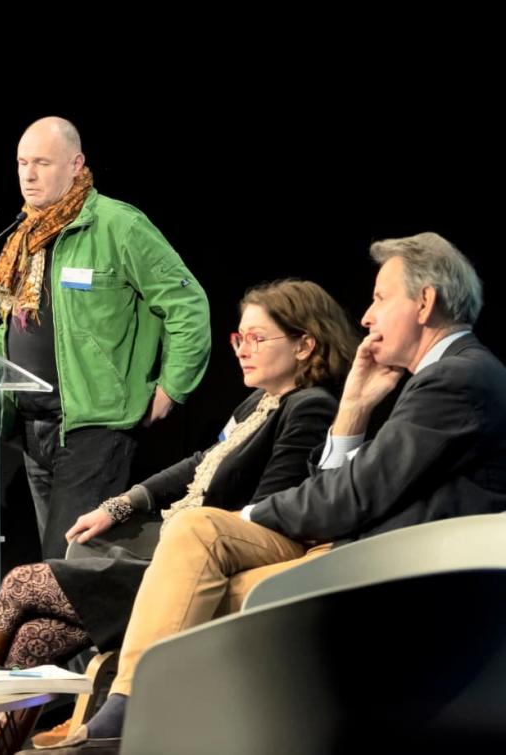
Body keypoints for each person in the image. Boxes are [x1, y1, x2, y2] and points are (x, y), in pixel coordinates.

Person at [64, 232, 506, 745]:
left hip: (405, 580)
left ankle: (132, 715)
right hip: (364, 555)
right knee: (193, 553)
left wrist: (251, 516)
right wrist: (355, 407)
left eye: (381, 298)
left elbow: (351, 499)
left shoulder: (456, 379)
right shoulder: (450, 376)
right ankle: (131, 711)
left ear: (424, 302)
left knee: (197, 574)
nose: (366, 316)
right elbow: (342, 490)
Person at [0, 279, 358, 752]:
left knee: (23, 584)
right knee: (33, 639)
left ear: (304, 345)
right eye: (238, 339)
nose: (241, 351)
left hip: (190, 575)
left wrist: (175, 524)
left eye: (257, 338)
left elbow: (269, 511)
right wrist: (122, 503)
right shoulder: (259, 403)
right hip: (171, 558)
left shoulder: (310, 408)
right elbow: (200, 462)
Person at [0, 116, 211, 559]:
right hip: (32, 427)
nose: (28, 174)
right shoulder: (29, 234)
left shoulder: (117, 226)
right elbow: (23, 328)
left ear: (75, 163)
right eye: (22, 163)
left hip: (94, 426)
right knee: (61, 568)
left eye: (42, 163)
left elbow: (188, 305)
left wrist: (172, 387)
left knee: (62, 570)